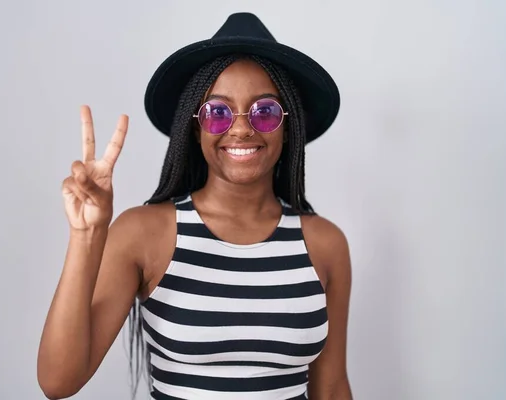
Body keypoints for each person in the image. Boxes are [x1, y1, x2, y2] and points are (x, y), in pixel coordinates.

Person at [37, 12, 353, 400]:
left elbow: (333, 387)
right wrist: (86, 236)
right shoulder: (144, 233)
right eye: (218, 112)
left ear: (288, 127)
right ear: (196, 127)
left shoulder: (325, 244)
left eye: (265, 111)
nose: (240, 128)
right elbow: (58, 381)